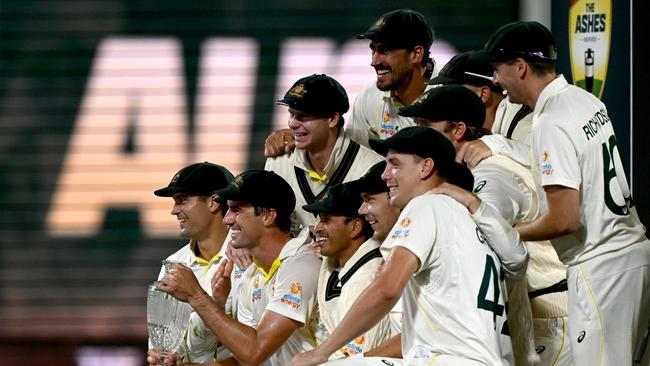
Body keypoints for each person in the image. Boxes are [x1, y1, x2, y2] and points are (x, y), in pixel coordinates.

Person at [475, 20, 650, 365]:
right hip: (634, 257)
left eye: (497, 68)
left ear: (520, 67)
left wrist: (507, 234)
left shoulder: (550, 121)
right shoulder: (584, 101)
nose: (495, 80)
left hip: (601, 270)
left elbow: (565, 218)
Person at [288, 126, 527, 366]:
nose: (385, 175)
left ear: (425, 167)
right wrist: (476, 204)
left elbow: (386, 290)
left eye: (395, 164)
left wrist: (323, 351)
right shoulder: (471, 217)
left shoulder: (425, 205)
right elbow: (518, 259)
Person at [400, 85, 571, 365]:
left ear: (458, 130)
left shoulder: (490, 174)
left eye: (425, 125)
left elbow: (484, 235)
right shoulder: (477, 164)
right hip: (534, 314)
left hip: (551, 320)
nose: (416, 134)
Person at [155, 170, 321, 366]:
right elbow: (242, 359)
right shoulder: (250, 274)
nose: (227, 219)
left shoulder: (302, 264)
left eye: (237, 210)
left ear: (268, 216)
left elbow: (254, 352)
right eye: (228, 210)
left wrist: (196, 296)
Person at [263, 9, 434, 156]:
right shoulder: (370, 95)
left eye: (385, 50)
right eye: (373, 51)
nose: (374, 61)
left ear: (416, 54)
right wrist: (299, 137)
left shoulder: (452, 94)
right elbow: (353, 155)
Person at [265, 74, 381, 229]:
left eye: (303, 116)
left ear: (332, 119)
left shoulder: (371, 168)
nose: (292, 124)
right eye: (291, 114)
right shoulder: (278, 162)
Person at [150, 161, 234, 363]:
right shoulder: (173, 264)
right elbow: (160, 341)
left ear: (213, 202)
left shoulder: (247, 256)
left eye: (182, 200)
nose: (174, 210)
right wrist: (162, 358)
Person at [302, 182, 393, 360]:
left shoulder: (370, 276)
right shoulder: (337, 264)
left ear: (355, 227)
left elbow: (358, 356)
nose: (318, 228)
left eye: (327, 220)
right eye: (319, 219)